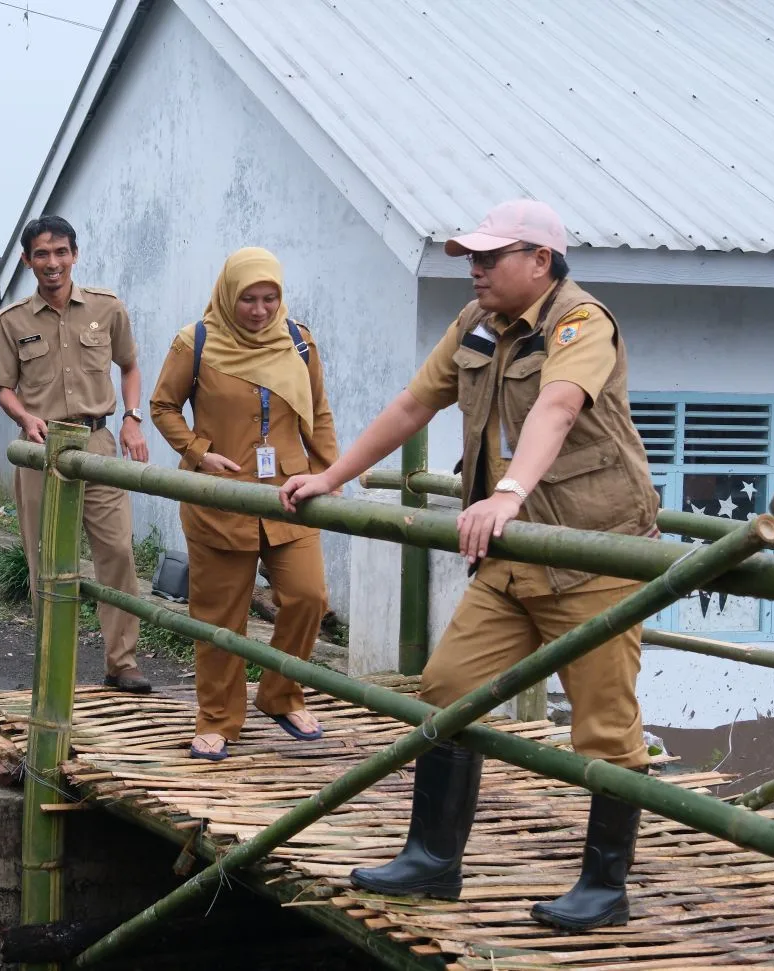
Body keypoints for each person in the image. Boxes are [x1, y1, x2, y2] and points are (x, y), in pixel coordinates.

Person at [281, 200, 660, 932]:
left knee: (606, 729)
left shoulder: (581, 321)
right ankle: (432, 859)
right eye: (470, 257)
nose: (475, 269)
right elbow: (411, 405)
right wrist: (334, 477)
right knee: (448, 688)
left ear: (540, 260)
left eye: (491, 257)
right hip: (513, 554)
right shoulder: (476, 324)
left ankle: (605, 888)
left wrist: (509, 489)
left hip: (592, 555)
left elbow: (557, 405)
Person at [149, 248, 337, 761]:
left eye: (269, 298)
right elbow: (163, 405)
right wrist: (198, 453)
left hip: (290, 496)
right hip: (220, 500)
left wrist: (329, 472)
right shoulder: (198, 342)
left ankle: (281, 693)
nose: (259, 310)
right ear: (228, 296)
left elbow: (318, 412)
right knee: (219, 616)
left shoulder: (299, 342)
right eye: (248, 299)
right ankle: (217, 717)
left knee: (307, 597)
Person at [0, 215, 153, 693]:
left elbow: (131, 366)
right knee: (45, 558)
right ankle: (53, 659)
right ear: (28, 260)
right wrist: (24, 418)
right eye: (42, 254)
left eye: (61, 252)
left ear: (74, 254)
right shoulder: (12, 321)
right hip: (42, 449)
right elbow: (3, 388)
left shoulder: (107, 308)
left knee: (117, 550)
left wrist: (132, 416)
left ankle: (122, 661)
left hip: (97, 443)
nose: (52, 263)